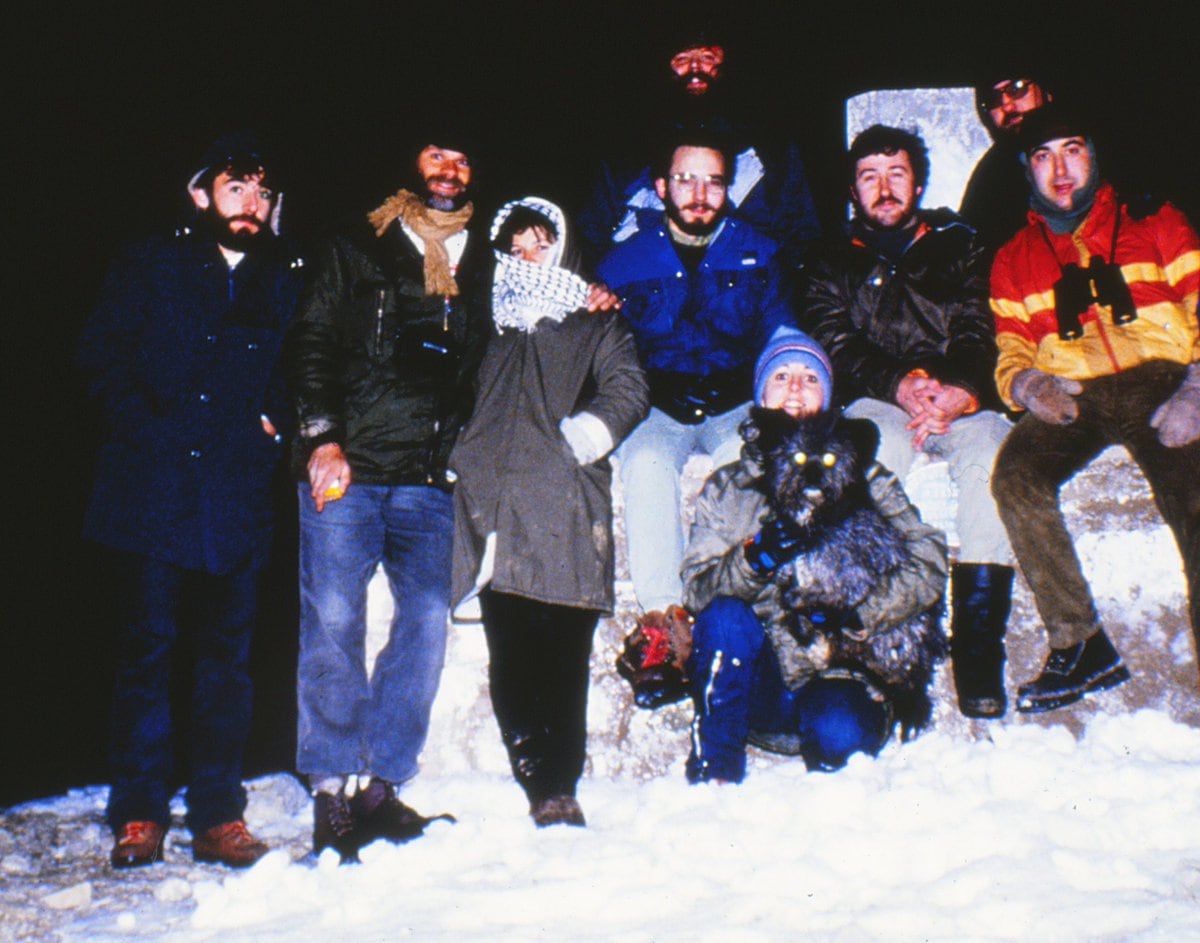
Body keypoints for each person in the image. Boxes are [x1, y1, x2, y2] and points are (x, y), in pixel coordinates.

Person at [78, 132, 300, 868]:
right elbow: (99, 358)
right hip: (153, 491)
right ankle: (138, 810)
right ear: (200, 195)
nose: (251, 204)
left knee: (226, 663)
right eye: (236, 189)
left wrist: (277, 422)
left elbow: (300, 368)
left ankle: (217, 813)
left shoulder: (281, 277)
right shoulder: (151, 263)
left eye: (261, 193)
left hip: (236, 496)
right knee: (147, 652)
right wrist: (146, 429)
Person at [285, 129, 492, 860]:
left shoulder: (483, 259)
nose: (449, 169)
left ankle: (383, 782)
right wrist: (321, 436)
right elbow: (311, 340)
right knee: (334, 620)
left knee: (428, 623)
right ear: (410, 163)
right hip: (350, 466)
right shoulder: (358, 245)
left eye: (463, 159)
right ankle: (331, 791)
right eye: (437, 153)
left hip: (427, 477)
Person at [990, 105, 1200, 713]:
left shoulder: (1152, 218)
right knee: (1015, 477)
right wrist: (1028, 386)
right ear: (1026, 170)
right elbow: (1009, 349)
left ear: (1093, 154)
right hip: (1074, 393)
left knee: (1194, 498)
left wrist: (1196, 386)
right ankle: (1080, 643)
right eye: (1042, 156)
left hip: (1162, 381)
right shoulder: (1013, 257)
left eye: (1072, 149)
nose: (1060, 168)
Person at [803, 125, 1016, 719]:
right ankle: (873, 630)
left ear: (917, 181)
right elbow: (835, 341)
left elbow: (981, 324)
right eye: (869, 177)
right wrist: (898, 384)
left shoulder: (963, 243)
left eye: (896, 173)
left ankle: (977, 644)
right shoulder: (828, 258)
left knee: (991, 458)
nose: (885, 188)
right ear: (853, 190)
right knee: (869, 462)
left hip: (960, 395)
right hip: (878, 397)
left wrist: (961, 390)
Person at [449, 197, 647, 827]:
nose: (526, 256)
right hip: (493, 502)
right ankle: (536, 778)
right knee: (511, 649)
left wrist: (582, 438)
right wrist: (454, 448)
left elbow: (630, 387)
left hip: (563, 502)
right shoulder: (488, 321)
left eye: (540, 243)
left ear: (561, 248)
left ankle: (561, 779)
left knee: (563, 648)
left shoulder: (595, 319)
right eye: (516, 246)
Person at [680, 327, 948, 782]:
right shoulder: (729, 487)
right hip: (760, 680)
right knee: (724, 616)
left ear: (826, 396)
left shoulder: (864, 474)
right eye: (781, 376)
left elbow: (930, 561)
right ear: (761, 393)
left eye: (810, 378)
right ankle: (717, 770)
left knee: (840, 731)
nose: (795, 389)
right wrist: (754, 560)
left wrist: (861, 615)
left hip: (840, 673)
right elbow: (696, 590)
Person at [595, 127, 795, 647]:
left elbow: (780, 332)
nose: (699, 195)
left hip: (735, 402)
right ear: (661, 187)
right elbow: (605, 348)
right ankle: (664, 619)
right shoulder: (622, 261)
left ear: (728, 188)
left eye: (713, 182)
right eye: (685, 180)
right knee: (645, 466)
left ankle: (738, 607)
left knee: (748, 468)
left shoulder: (761, 252)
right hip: (657, 405)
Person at [578, 29, 820, 279]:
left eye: (707, 56)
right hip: (646, 295)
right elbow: (592, 235)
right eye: (681, 58)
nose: (695, 67)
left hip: (745, 295)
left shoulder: (770, 146)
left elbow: (800, 233)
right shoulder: (628, 150)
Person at [959, 71, 1054, 254]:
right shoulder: (990, 176)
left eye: (1016, 88)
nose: (1006, 105)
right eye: (993, 98)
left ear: (1046, 91)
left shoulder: (1096, 147)